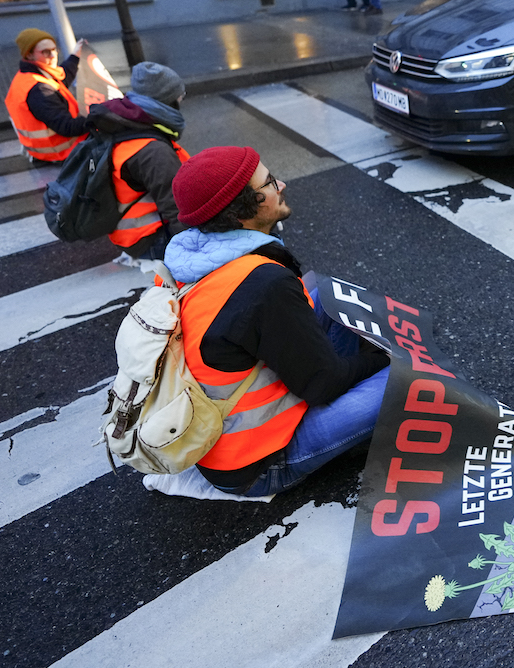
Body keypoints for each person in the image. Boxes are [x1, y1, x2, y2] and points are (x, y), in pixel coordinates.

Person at [164, 146, 390, 496]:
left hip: (209, 432)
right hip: (256, 462)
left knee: (319, 295)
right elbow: (323, 386)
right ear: (245, 209)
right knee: (412, 376)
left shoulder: (191, 257)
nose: (281, 184)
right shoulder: (263, 284)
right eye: (270, 183)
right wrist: (380, 359)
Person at [87, 62, 192, 261]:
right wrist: (191, 255)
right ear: (167, 99)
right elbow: (177, 208)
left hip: (130, 236)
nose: (181, 99)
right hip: (151, 239)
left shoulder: (124, 126)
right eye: (180, 95)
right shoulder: (153, 151)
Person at [5, 28, 92, 163]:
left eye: (54, 49)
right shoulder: (39, 90)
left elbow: (61, 77)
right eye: (45, 52)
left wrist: (75, 56)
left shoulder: (30, 75)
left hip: (46, 150)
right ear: (29, 55)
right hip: (62, 151)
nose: (52, 55)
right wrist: (99, 115)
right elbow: (67, 127)